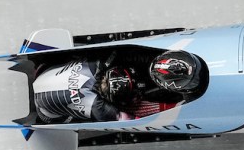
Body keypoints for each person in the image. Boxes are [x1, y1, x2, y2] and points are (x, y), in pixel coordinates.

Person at [31, 49, 204, 124]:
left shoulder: (99, 62)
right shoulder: (100, 108)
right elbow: (133, 121)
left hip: (44, 70)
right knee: (134, 108)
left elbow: (127, 56)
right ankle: (179, 104)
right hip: (48, 114)